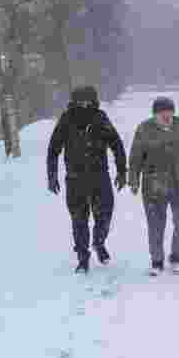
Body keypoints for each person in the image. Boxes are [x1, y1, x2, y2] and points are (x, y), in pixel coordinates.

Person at [47, 86, 127, 274]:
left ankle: (99, 242)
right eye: (80, 102)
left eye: (88, 101)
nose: (84, 105)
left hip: (99, 176)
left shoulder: (100, 118)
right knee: (79, 220)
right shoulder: (66, 120)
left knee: (105, 215)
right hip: (75, 179)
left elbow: (116, 144)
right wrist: (52, 176)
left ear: (94, 101)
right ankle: (83, 257)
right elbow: (53, 149)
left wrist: (122, 171)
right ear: (73, 102)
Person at [128, 96, 179, 276]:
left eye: (169, 112)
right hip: (154, 186)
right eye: (162, 113)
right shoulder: (144, 129)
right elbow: (135, 156)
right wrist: (133, 179)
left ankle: (176, 257)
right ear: (155, 115)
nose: (166, 115)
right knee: (156, 226)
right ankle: (157, 261)